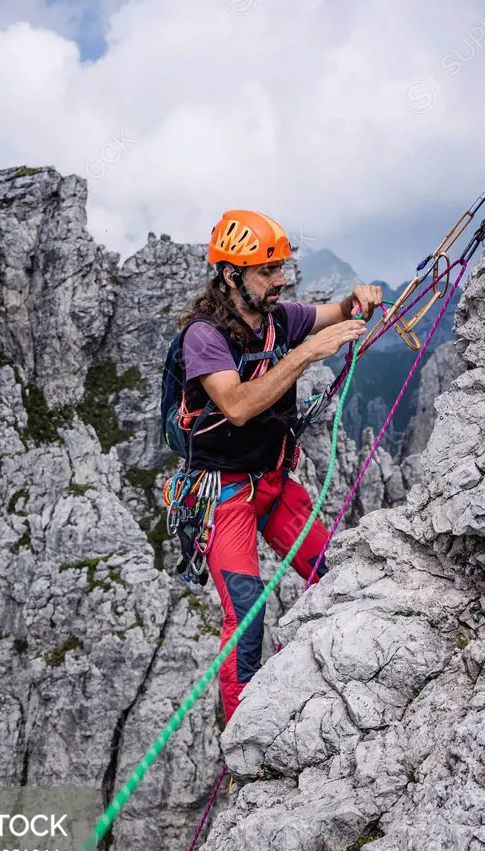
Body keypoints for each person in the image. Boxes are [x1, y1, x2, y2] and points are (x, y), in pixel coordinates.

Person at [176, 209, 383, 725]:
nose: (280, 279)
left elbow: (333, 311)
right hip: (224, 495)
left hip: (271, 485)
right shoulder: (203, 338)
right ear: (231, 275)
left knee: (334, 576)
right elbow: (238, 406)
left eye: (282, 268)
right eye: (267, 271)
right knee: (245, 614)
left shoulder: (279, 319)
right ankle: (243, 740)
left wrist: (358, 300)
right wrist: (305, 355)